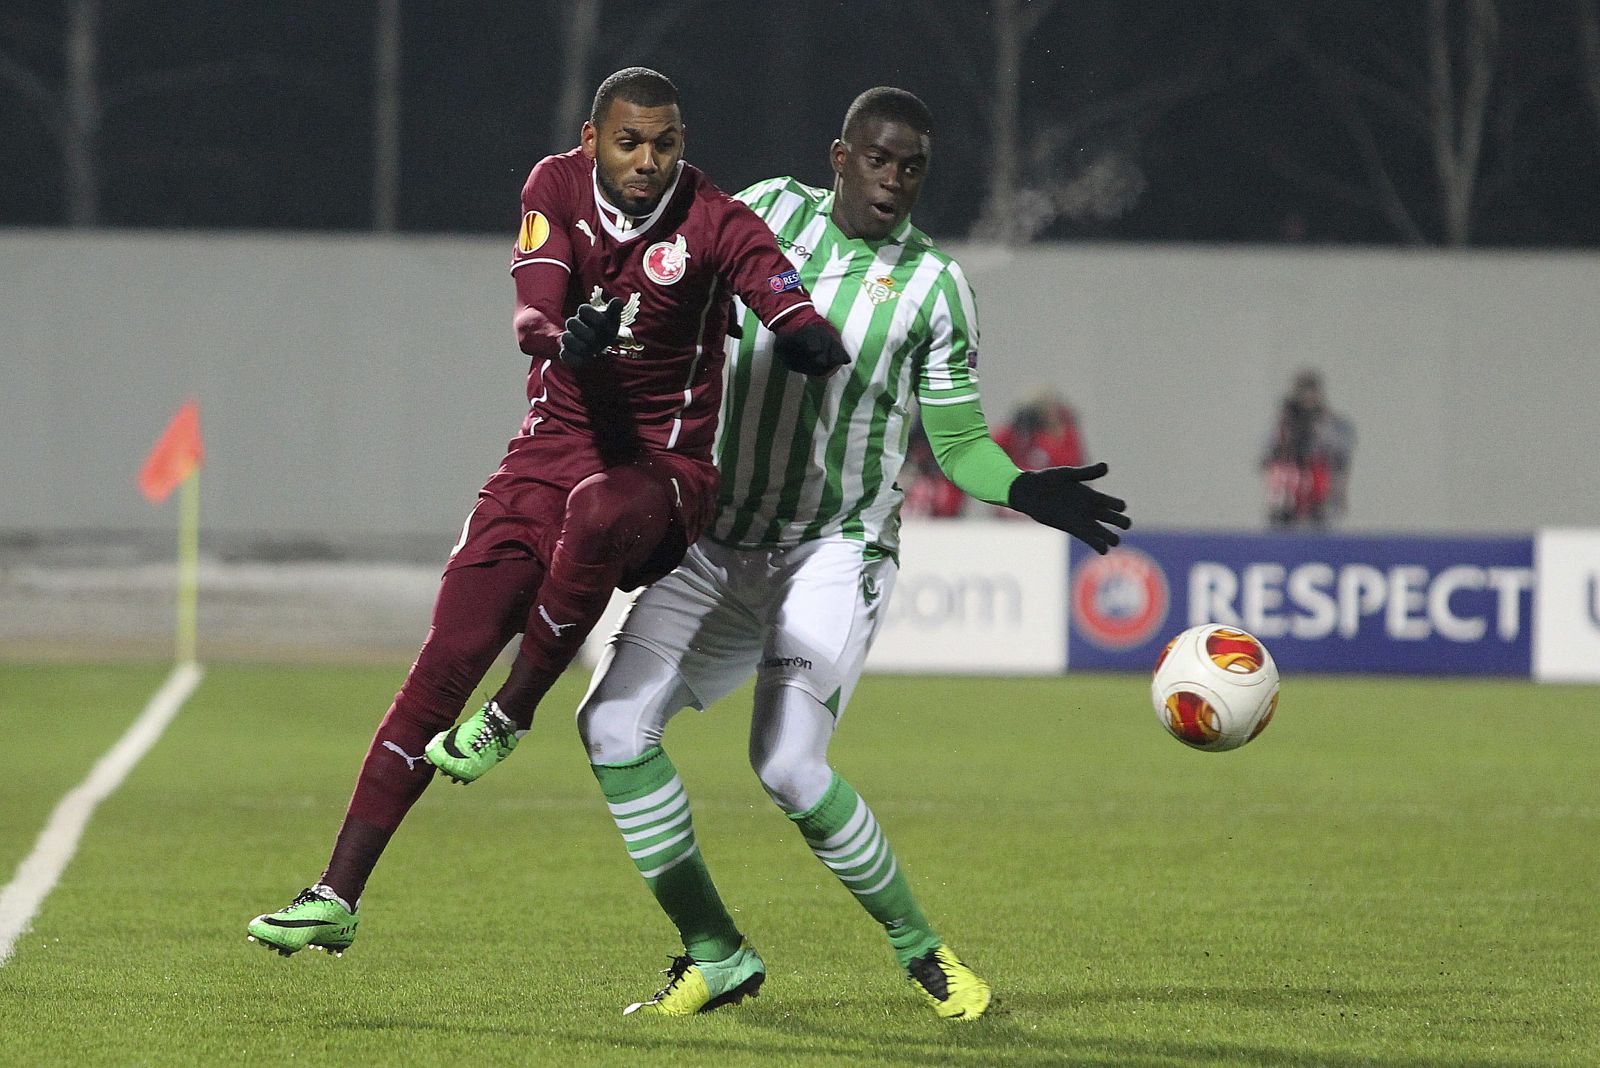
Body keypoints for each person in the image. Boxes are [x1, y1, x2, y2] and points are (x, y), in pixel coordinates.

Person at [245, 67, 849, 956]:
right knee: (443, 661)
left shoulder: (716, 220)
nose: (648, 161)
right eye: (630, 142)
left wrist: (806, 339)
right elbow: (534, 311)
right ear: (593, 137)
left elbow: (782, 297)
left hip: (662, 475)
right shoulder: (553, 185)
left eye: (666, 142)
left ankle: (513, 714)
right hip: (541, 460)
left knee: (603, 509)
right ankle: (335, 896)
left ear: (684, 142)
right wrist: (564, 336)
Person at [570, 88, 1130, 1020]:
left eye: (912, 166)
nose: (895, 180)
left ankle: (925, 953)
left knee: (788, 765)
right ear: (840, 157)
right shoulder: (764, 213)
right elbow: (668, 294)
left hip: (834, 547)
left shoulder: (936, 286)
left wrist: (1024, 487)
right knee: (610, 730)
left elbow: (955, 442)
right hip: (714, 538)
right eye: (879, 159)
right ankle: (714, 952)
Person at [1261, 370, 1354, 528]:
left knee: (1319, 521)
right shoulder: (1284, 424)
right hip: (1288, 483)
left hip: (1318, 480)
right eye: (1303, 391)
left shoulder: (1329, 423)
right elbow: (1268, 456)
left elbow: (1340, 455)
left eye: (1311, 391)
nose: (1307, 397)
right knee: (1282, 522)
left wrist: (1339, 492)